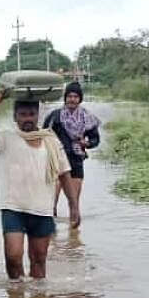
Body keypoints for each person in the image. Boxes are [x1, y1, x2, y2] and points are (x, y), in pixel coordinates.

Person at [0, 87, 73, 279]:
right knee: (12, 257)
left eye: (31, 114)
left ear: (37, 115)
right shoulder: (6, 138)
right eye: (22, 114)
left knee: (39, 260)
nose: (27, 118)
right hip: (13, 208)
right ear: (15, 117)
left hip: (42, 210)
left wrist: (73, 205)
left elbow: (64, 172)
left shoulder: (50, 140)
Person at [45, 81, 100, 227]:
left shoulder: (87, 118)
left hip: (76, 161)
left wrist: (86, 144)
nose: (72, 99)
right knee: (51, 203)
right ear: (65, 98)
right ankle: (51, 238)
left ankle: (74, 239)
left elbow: (95, 139)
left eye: (75, 96)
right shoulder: (54, 116)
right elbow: (43, 135)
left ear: (80, 99)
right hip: (56, 161)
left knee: (74, 202)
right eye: (69, 96)